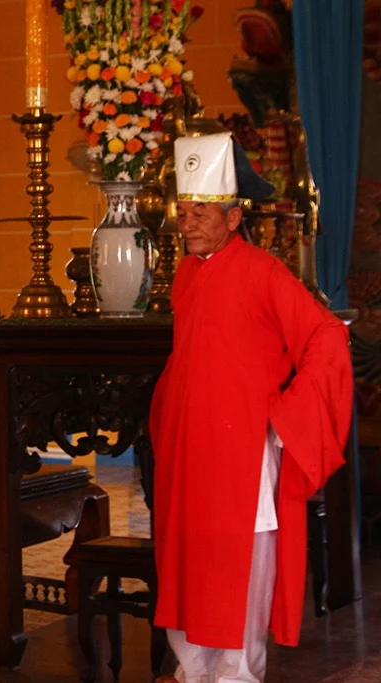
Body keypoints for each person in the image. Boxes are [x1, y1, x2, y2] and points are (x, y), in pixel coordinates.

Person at [150, 133, 353, 683]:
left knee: (240, 575)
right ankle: (193, 671)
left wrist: (285, 415)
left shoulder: (263, 271)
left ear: (234, 217)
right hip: (193, 452)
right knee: (192, 566)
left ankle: (237, 676)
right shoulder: (186, 275)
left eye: (201, 213)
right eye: (184, 211)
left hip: (242, 458)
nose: (187, 223)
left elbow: (326, 336)